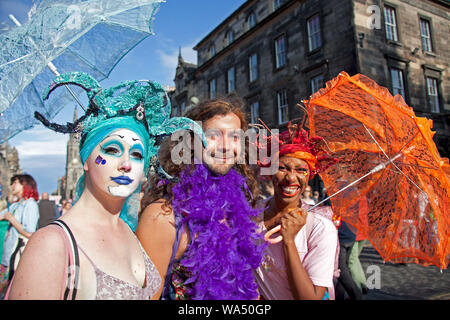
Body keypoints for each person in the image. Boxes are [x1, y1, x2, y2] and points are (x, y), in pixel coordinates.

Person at [5, 72, 202, 300]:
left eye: (137, 154)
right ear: (86, 159)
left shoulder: (129, 231)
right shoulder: (52, 245)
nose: (126, 164)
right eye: (111, 150)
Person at [137, 97, 266, 300]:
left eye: (234, 137)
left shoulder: (236, 205)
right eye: (214, 136)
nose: (225, 146)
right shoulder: (163, 216)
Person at [254, 122, 339, 300]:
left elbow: (311, 298)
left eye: (301, 170)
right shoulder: (251, 212)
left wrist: (289, 241)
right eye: (282, 168)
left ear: (309, 176)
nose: (291, 178)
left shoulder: (320, 228)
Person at [0, 174, 39, 295]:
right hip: (7, 255)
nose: (11, 186)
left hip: (16, 256)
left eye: (15, 183)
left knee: (11, 290)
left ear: (24, 185)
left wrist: (12, 219)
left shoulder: (30, 204)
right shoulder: (16, 204)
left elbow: (30, 233)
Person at [335, 220, 363, 300]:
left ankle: (356, 295)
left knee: (341, 270)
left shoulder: (336, 207)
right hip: (350, 235)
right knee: (343, 269)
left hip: (342, 238)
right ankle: (338, 296)